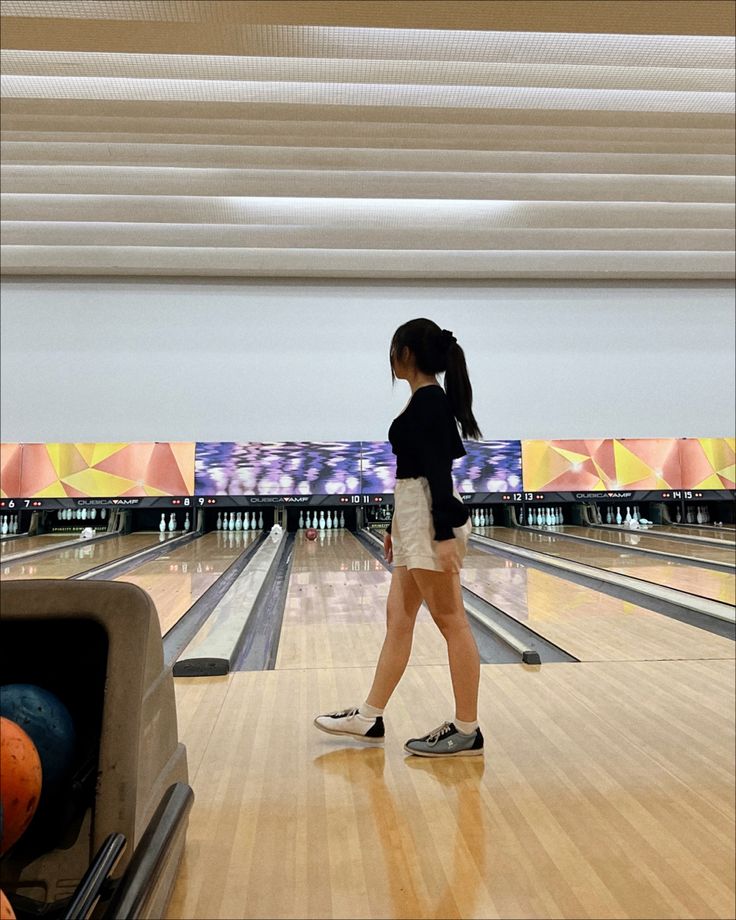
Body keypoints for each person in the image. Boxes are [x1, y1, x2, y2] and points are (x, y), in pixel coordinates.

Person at [314, 318, 484, 757]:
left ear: (404, 354)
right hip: (415, 518)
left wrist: (441, 534)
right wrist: (394, 525)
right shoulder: (424, 401)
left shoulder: (431, 403)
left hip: (430, 519)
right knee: (399, 617)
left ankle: (467, 728)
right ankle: (369, 717)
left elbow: (437, 475)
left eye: (391, 351)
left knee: (452, 623)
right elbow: (411, 473)